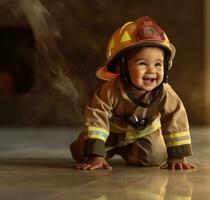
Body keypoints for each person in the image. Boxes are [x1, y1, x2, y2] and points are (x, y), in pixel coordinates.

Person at [70, 16, 195, 170]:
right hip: (109, 134)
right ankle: (101, 152)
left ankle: (129, 152)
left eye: (158, 64)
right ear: (121, 67)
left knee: (156, 157)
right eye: (142, 63)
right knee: (82, 153)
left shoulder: (165, 93)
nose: (152, 70)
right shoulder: (110, 90)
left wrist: (177, 156)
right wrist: (95, 155)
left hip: (142, 135)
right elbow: (97, 117)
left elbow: (176, 117)